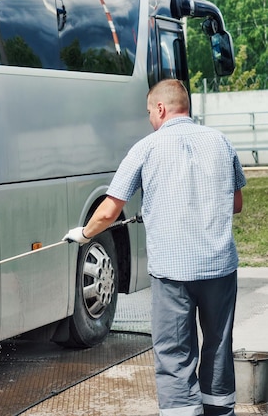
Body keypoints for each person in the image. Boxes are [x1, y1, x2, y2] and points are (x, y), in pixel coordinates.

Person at [63, 79, 246, 416]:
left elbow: (109, 210)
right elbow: (235, 204)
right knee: (218, 345)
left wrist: (84, 234)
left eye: (149, 112)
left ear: (161, 109)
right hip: (219, 267)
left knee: (175, 350)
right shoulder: (222, 142)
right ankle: (221, 410)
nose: (149, 118)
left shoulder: (146, 148)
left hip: (173, 271)